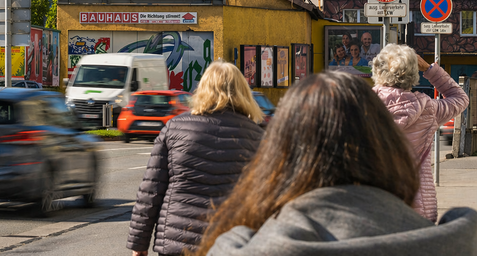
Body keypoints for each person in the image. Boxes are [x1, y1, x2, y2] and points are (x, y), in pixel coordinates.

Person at [193, 70, 477, 256]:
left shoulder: (239, 248)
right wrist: (429, 67)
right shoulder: (457, 240)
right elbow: (459, 98)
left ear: (280, 154)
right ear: (388, 147)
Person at [126, 61, 264, 256]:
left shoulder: (175, 128)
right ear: (243, 91)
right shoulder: (257, 137)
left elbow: (151, 190)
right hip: (232, 242)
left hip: (177, 241)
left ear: (203, 89)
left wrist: (139, 243)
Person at [372, 44, 469, 222]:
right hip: (417, 206)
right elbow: (460, 98)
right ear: (413, 74)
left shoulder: (362, 105)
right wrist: (429, 69)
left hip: (375, 204)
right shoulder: (428, 109)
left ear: (377, 70)